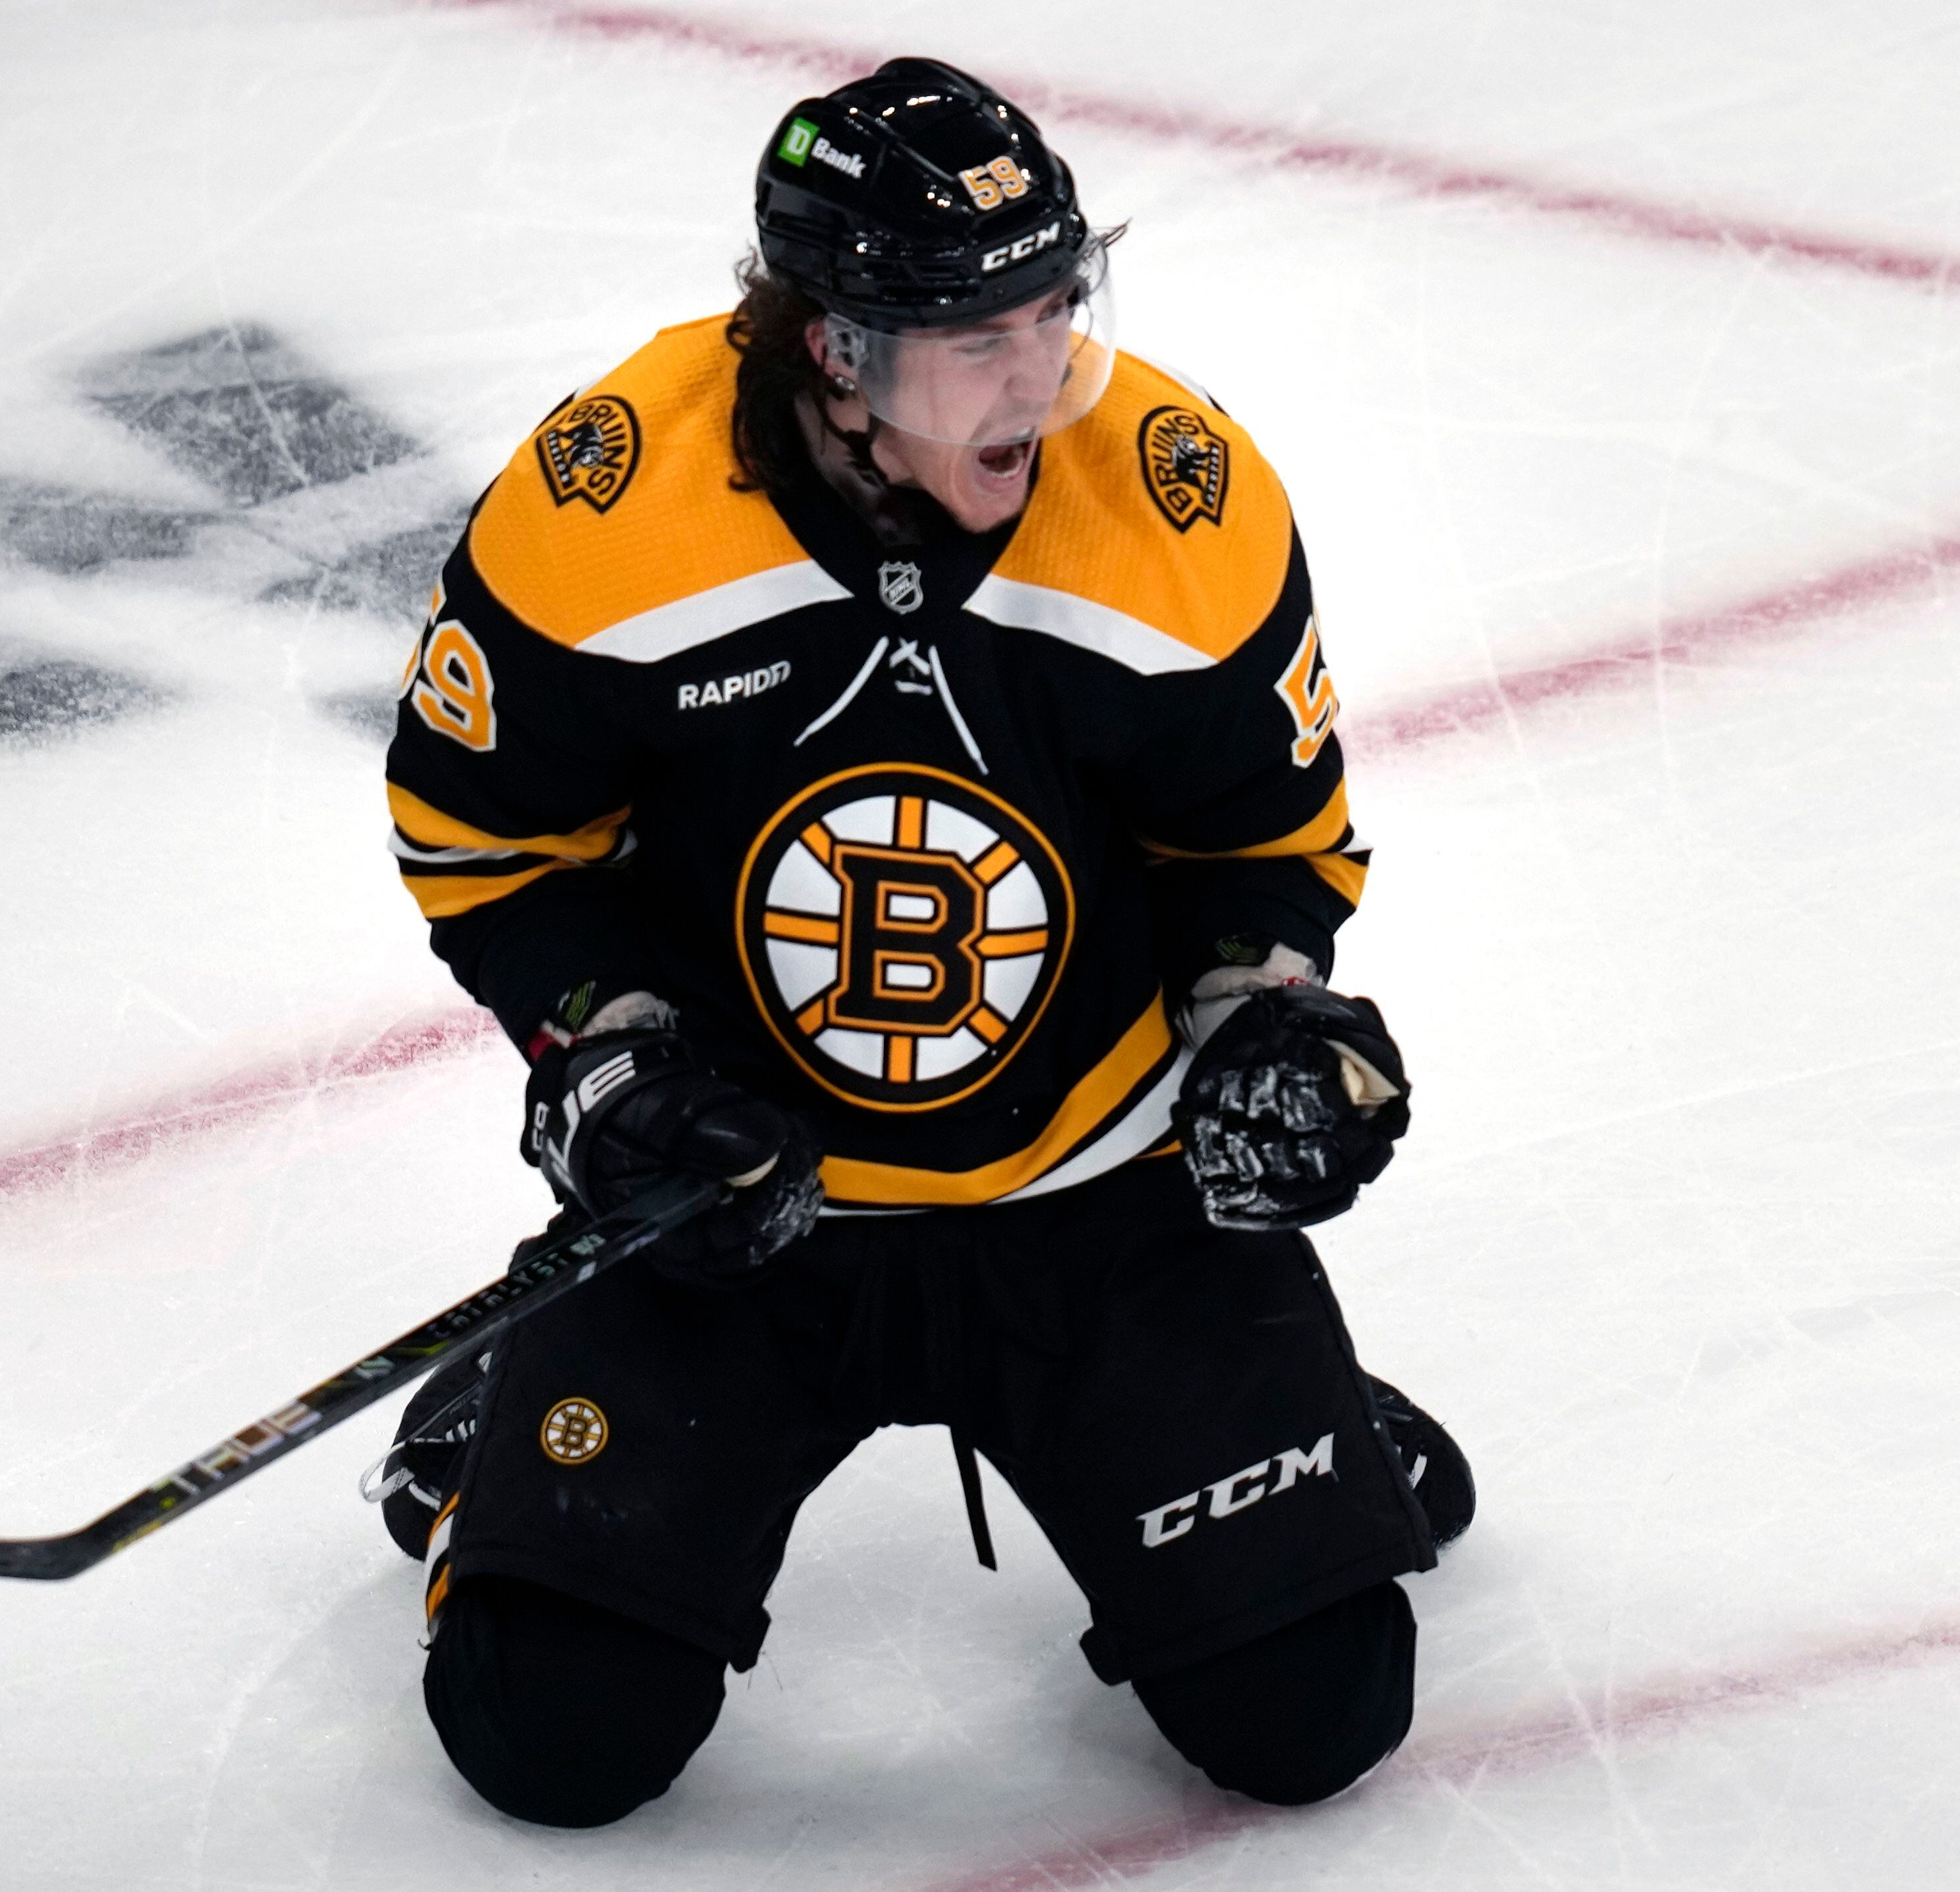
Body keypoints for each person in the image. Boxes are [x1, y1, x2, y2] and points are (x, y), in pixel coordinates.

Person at [372, 57, 1473, 1829]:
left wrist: (1272, 1022)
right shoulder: (607, 514)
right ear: (835, 349)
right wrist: (622, 1063)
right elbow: (487, 839)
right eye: (981, 340)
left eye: (1057, 309)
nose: (1038, 378)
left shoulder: (1177, 504)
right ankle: (497, 1423)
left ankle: (1301, 1405)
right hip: (744, 1208)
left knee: (1315, 1711)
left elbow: (1257, 848)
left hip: (1101, 1198)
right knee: (547, 1734)